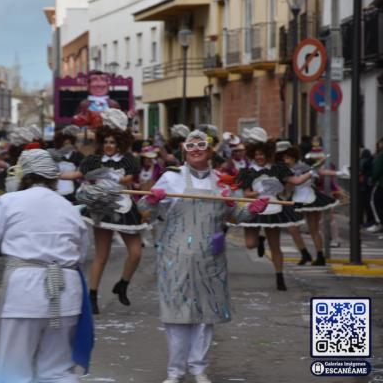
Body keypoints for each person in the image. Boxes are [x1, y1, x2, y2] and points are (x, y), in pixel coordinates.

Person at [138, 130, 268, 383]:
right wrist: (152, 200)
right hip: (175, 257)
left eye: (201, 145)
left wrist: (250, 210)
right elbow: (145, 212)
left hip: (210, 259)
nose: (196, 149)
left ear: (210, 150)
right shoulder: (170, 179)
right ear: (184, 150)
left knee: (205, 316)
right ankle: (175, 372)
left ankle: (199, 369)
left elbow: (235, 216)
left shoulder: (223, 182)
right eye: (190, 145)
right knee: (176, 316)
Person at [0, 149, 92, 383]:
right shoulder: (69, 208)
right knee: (57, 371)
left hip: (24, 294)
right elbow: (81, 255)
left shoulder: (9, 201)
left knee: (14, 371)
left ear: (23, 174)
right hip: (66, 292)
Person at [62, 109, 147, 314]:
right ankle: (92, 296)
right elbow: (77, 174)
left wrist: (116, 177)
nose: (109, 145)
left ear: (120, 142)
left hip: (125, 207)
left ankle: (123, 284)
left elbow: (129, 178)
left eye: (113, 142)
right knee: (101, 255)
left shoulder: (128, 159)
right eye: (106, 141)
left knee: (135, 253)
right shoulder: (93, 160)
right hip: (102, 206)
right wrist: (52, 174)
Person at [235, 130, 313, 291]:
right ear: (252, 154)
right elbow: (246, 193)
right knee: (250, 244)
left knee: (275, 246)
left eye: (262, 154)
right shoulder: (247, 172)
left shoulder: (278, 168)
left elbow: (296, 181)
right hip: (255, 208)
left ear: (268, 154)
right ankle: (260, 241)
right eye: (256, 154)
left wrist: (311, 172)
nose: (259, 157)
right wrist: (259, 192)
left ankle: (280, 276)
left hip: (273, 208)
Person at [279, 143, 340, 266]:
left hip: (310, 198)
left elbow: (320, 172)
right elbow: (289, 187)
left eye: (288, 158)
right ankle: (305, 254)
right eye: (284, 158)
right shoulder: (284, 170)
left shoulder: (305, 166)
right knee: (292, 228)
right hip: (295, 199)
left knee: (313, 229)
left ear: (294, 157)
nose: (285, 161)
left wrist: (339, 173)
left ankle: (320, 256)